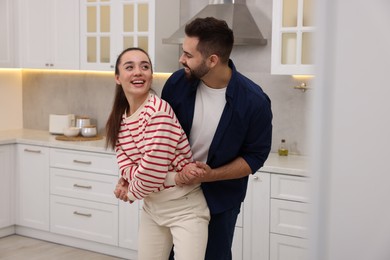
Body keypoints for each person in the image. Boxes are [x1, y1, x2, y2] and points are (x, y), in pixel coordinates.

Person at [162, 17, 273, 260]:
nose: (182, 60)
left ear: (212, 60)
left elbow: (255, 157)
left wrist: (211, 175)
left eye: (188, 55)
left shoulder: (254, 102)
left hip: (220, 200)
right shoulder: (176, 84)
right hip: (173, 194)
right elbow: (159, 137)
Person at [106, 47, 210, 260]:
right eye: (130, 67)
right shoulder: (121, 117)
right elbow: (126, 164)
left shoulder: (158, 112)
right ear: (118, 77)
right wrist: (131, 179)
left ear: (151, 76)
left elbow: (151, 172)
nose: (138, 72)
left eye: (145, 67)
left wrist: (130, 191)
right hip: (153, 207)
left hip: (185, 209)